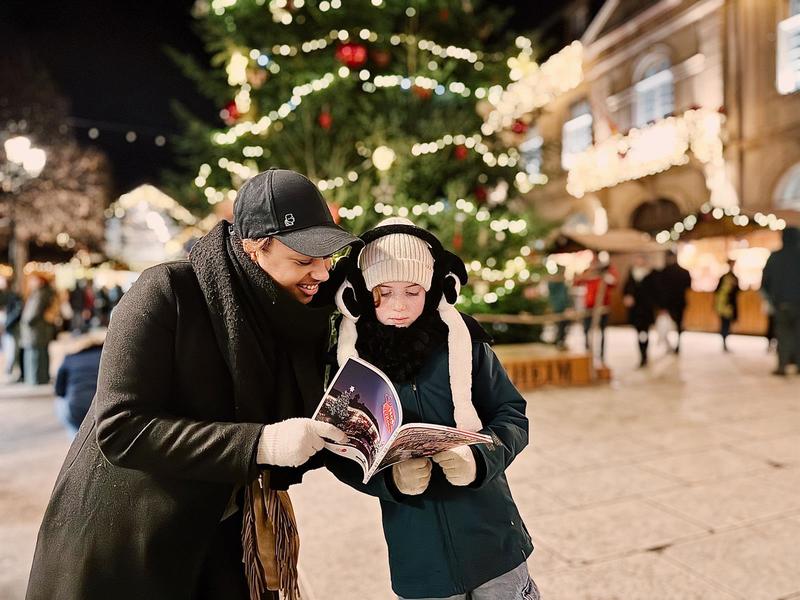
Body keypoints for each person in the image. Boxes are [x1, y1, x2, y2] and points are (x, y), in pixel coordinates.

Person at [26, 168, 361, 600]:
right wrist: (260, 443)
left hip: (219, 536)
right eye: (303, 260)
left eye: (327, 257)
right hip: (128, 543)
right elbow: (121, 428)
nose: (321, 272)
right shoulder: (166, 290)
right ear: (254, 248)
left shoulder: (293, 312)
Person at [327, 217, 539, 600]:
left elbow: (512, 414)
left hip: (494, 541)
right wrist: (390, 481)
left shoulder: (466, 345)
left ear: (436, 288)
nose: (398, 306)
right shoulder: (351, 366)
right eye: (383, 292)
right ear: (357, 294)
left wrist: (480, 457)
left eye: (413, 291)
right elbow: (341, 452)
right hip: (419, 555)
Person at [53, 329, 106, 438]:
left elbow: (59, 390)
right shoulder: (105, 357)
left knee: (59, 403)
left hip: (76, 405)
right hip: (101, 405)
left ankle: (75, 441)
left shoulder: (70, 358)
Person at [762, 226, 800, 375]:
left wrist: (772, 299)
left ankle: (782, 366)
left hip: (781, 304)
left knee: (783, 335)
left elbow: (764, 283)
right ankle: (798, 364)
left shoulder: (775, 257)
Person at [575, 257, 618, 363]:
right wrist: (589, 272)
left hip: (603, 306)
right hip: (589, 306)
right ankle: (588, 350)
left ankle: (602, 354)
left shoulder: (606, 273)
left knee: (602, 331)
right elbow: (576, 281)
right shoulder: (589, 273)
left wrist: (605, 274)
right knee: (586, 329)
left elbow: (614, 283)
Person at [20, 274, 58, 385]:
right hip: (41, 329)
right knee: (41, 354)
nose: (30, 282)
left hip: (37, 329)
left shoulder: (40, 294)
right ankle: (42, 378)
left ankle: (36, 379)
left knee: (35, 355)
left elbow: (33, 313)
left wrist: (26, 321)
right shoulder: (46, 292)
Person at [623, 255, 658, 367]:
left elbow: (655, 291)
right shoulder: (631, 275)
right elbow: (625, 290)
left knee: (645, 332)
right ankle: (642, 356)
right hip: (635, 310)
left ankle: (645, 354)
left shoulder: (650, 275)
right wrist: (627, 297)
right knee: (638, 333)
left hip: (646, 309)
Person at [655, 251, 692, 353]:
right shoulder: (683, 272)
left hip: (668, 303)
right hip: (678, 302)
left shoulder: (664, 272)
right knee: (676, 324)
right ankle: (675, 345)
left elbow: (659, 289)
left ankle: (671, 345)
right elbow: (688, 286)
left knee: (668, 325)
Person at [714, 259, 740, 352]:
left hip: (730, 305)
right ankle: (724, 342)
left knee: (727, 324)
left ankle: (725, 341)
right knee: (724, 324)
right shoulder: (724, 277)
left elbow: (738, 291)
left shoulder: (735, 278)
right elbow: (717, 291)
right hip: (722, 305)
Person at [547, 266, 571, 350]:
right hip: (558, 306)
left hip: (563, 307)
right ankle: (558, 341)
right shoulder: (555, 281)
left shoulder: (563, 282)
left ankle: (560, 341)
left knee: (564, 325)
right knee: (559, 325)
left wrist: (568, 306)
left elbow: (566, 296)